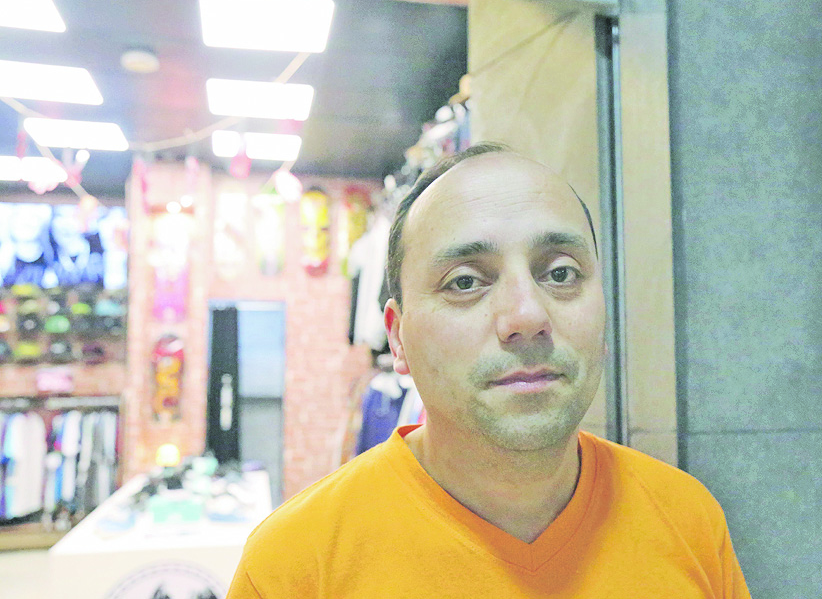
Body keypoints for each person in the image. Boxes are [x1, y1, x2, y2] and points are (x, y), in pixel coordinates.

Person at [226, 143, 751, 598]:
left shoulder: (688, 521)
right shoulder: (294, 567)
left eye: (561, 273)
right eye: (465, 282)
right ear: (398, 337)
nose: (527, 316)